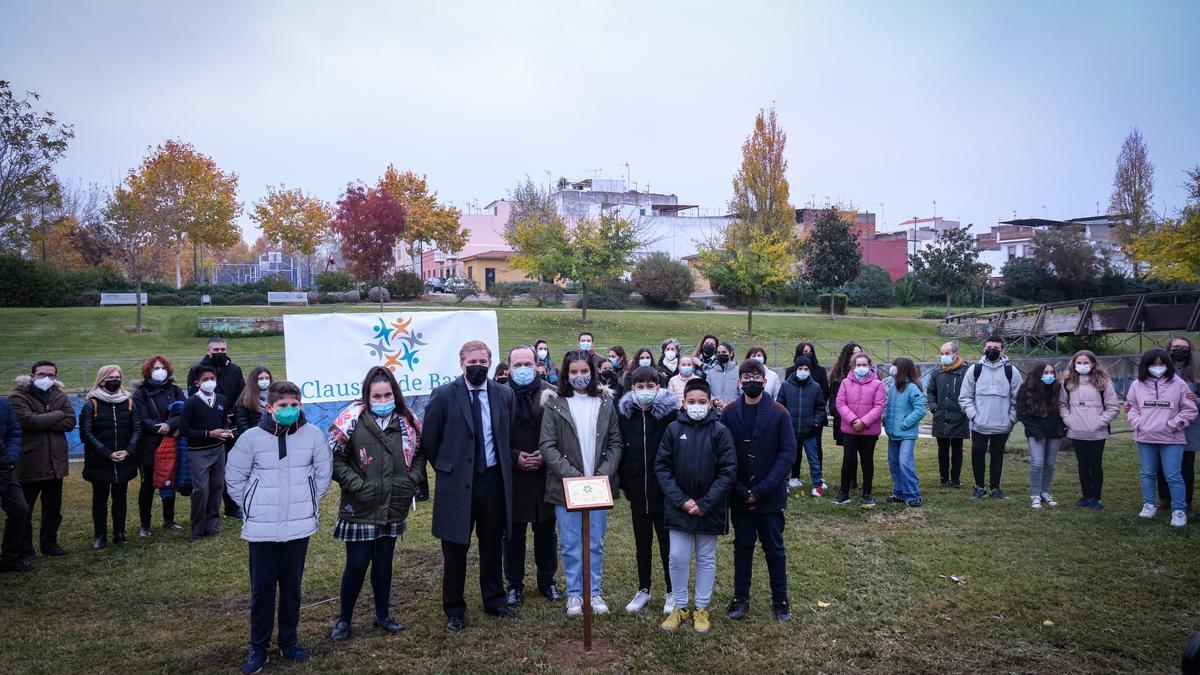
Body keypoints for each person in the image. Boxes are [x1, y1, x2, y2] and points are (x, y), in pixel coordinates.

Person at [226, 380, 332, 673]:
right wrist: (251, 505)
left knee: (292, 589)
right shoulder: (250, 439)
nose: (289, 410)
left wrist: (309, 499)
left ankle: (289, 642)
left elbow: (323, 472)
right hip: (262, 528)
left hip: (298, 526)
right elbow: (234, 478)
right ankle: (258, 648)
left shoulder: (312, 436)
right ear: (269, 407)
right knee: (262, 589)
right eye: (283, 406)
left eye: (294, 405)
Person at [421, 341, 515, 632]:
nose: (479, 366)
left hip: (492, 481)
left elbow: (505, 434)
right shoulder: (444, 395)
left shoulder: (503, 394)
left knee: (491, 545)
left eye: (484, 361)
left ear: (490, 363)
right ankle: (454, 608)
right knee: (455, 548)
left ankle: (495, 600)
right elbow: (430, 441)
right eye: (473, 361)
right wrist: (448, 468)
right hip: (456, 483)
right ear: (462, 363)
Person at [328, 366, 425, 640]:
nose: (383, 401)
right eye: (377, 396)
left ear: (395, 394)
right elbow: (334, 458)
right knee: (357, 563)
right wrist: (356, 485)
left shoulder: (408, 422)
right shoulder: (351, 421)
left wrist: (412, 481)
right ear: (367, 396)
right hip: (360, 505)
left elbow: (419, 454)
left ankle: (382, 615)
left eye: (387, 395)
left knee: (384, 563)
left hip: (394, 503)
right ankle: (344, 619)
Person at [539, 350, 623, 617]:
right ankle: (575, 594)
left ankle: (594, 591)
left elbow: (616, 442)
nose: (579, 377)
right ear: (566, 374)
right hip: (567, 487)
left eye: (584, 371)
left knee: (595, 541)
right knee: (571, 542)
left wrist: (603, 474)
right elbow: (547, 446)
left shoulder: (605, 402)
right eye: (573, 372)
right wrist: (573, 477)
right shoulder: (554, 404)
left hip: (598, 485)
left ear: (592, 371)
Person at [656, 378, 737, 633]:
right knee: (677, 557)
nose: (697, 406)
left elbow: (728, 470)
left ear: (710, 402)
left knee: (705, 558)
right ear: (684, 402)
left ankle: (701, 608)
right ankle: (680, 607)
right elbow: (662, 466)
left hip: (708, 509)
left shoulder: (720, 431)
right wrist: (682, 500)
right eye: (692, 402)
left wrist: (705, 503)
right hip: (679, 507)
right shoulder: (672, 430)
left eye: (702, 402)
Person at [721, 358, 796, 623]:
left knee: (774, 548)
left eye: (757, 377)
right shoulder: (728, 413)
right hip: (739, 494)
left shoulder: (779, 412)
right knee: (742, 548)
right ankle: (740, 598)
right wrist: (740, 489)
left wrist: (762, 489)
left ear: (765, 381)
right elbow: (723, 455)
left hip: (770, 496)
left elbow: (787, 455)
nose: (752, 382)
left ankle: (780, 601)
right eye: (746, 377)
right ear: (739, 382)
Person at [616, 366, 679, 614]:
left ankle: (672, 590)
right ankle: (643, 589)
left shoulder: (670, 414)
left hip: (663, 491)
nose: (645, 391)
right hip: (637, 489)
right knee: (642, 543)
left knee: (667, 544)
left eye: (649, 386)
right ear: (633, 389)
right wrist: (625, 481)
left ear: (658, 387)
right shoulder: (625, 415)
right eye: (640, 387)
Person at [502, 345, 560, 606]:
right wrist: (515, 456)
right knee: (513, 534)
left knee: (546, 532)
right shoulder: (499, 395)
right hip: (513, 476)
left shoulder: (552, 394)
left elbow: (561, 434)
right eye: (517, 365)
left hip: (543, 475)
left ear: (537, 364)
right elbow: (492, 436)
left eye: (528, 364)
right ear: (509, 367)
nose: (523, 369)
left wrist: (544, 455)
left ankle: (547, 580)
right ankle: (514, 584)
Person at [9, 360, 74, 563]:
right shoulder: (17, 396)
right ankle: (25, 549)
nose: (46, 378)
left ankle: (50, 544)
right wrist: (57, 415)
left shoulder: (59, 395)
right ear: (32, 375)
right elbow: (29, 422)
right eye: (42, 374)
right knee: (25, 510)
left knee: (53, 509)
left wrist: (44, 419)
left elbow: (70, 422)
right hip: (30, 462)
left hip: (56, 463)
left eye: (51, 375)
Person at [1127, 349, 1198, 527]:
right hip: (1145, 437)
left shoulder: (1179, 384)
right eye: (1153, 364)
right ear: (1146, 365)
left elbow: (1190, 409)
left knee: (1173, 474)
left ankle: (1179, 510)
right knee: (1148, 472)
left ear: (1167, 365)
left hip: (1172, 438)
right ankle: (1149, 504)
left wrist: (1174, 425)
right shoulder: (1137, 384)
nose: (1157, 367)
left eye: (1161, 364)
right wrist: (1138, 423)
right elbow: (1132, 407)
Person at [79, 365, 143, 549]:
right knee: (100, 499)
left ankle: (119, 532)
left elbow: (136, 428)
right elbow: (86, 433)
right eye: (110, 377)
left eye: (118, 377)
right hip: (100, 461)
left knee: (120, 498)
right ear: (101, 379)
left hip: (124, 459)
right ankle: (100, 534)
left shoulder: (129, 402)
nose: (115, 380)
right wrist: (107, 453)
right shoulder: (91, 404)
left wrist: (128, 450)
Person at [187, 337, 247, 519]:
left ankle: (231, 506)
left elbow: (241, 394)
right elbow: (193, 396)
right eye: (216, 349)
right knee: (207, 474)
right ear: (208, 351)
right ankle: (207, 511)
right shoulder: (196, 371)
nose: (220, 352)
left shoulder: (235, 370)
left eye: (223, 349)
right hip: (206, 428)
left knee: (229, 467)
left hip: (230, 424)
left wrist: (231, 413)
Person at [958, 335, 1023, 502]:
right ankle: (979, 487)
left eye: (996, 347)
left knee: (997, 455)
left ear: (1003, 350)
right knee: (977, 453)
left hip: (1002, 425)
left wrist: (1011, 419)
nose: (992, 350)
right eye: (989, 347)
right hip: (979, 424)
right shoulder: (975, 370)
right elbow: (965, 397)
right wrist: (973, 416)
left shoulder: (1011, 371)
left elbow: (1019, 398)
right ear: (984, 348)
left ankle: (995, 488)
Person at [132, 355, 186, 537]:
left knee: (168, 480)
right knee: (148, 484)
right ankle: (145, 524)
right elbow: (141, 418)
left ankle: (169, 519)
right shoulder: (140, 393)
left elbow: (185, 412)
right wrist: (159, 427)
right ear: (148, 371)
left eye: (162, 367)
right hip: (149, 445)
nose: (160, 371)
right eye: (155, 368)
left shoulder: (175, 390)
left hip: (171, 442)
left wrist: (170, 425)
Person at [1058, 349, 1119, 510]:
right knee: (1082, 465)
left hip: (1096, 433)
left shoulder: (1103, 382)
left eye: (1086, 363)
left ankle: (1096, 498)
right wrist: (1069, 420)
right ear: (1074, 364)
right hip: (1076, 431)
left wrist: (1100, 422)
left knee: (1095, 464)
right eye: (1079, 362)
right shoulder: (1067, 382)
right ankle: (1086, 495)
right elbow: (1062, 405)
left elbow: (1113, 407)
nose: (1082, 365)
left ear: (1093, 364)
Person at [181, 365, 235, 541]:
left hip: (218, 450)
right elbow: (184, 430)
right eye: (206, 379)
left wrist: (227, 431)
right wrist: (208, 434)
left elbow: (223, 421)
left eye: (212, 378)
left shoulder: (221, 399)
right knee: (201, 490)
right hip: (198, 452)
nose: (210, 382)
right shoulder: (191, 403)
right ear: (197, 383)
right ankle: (197, 529)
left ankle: (211, 524)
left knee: (217, 487)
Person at [833, 353, 885, 507]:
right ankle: (843, 492)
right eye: (858, 365)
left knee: (867, 461)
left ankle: (867, 493)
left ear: (870, 366)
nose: (861, 368)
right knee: (848, 460)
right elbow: (840, 403)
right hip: (850, 429)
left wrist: (864, 421)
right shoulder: (845, 383)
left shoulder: (878, 384)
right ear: (853, 366)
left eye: (864, 365)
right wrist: (854, 420)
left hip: (869, 430)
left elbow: (879, 406)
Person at [1017, 362, 1067, 510]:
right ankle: (1035, 495)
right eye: (1046, 372)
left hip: (1054, 432)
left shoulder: (1058, 388)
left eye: (1052, 372)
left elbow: (1064, 408)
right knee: (1037, 462)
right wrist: (1036, 432)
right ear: (1038, 373)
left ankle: (1045, 492)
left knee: (1050, 463)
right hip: (1036, 432)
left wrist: (1060, 429)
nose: (1049, 376)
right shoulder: (1026, 389)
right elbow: (1022, 413)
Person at [1159, 336, 1199, 515]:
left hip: (1188, 427)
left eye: (1184, 347)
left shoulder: (1197, 372)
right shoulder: (1161, 369)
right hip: (1163, 424)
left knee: (1185, 466)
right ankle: (1165, 499)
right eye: (1176, 346)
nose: (1180, 350)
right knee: (1162, 464)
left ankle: (1186, 502)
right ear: (1169, 349)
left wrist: (1194, 400)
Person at [777, 356, 827, 497]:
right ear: (796, 369)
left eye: (806, 369)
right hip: (790, 430)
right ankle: (783, 484)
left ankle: (817, 485)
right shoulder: (786, 385)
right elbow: (779, 406)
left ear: (810, 371)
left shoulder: (815, 387)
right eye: (800, 368)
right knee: (787, 458)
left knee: (814, 459)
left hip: (809, 430)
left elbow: (820, 407)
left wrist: (816, 421)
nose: (803, 371)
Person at [883, 358, 927, 507]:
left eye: (894, 366)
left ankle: (913, 495)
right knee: (894, 463)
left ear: (901, 369)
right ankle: (899, 493)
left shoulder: (912, 388)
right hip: (893, 433)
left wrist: (905, 423)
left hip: (906, 434)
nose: (891, 368)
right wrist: (885, 421)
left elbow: (920, 409)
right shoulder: (893, 387)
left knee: (905, 463)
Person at [927, 342, 971, 489]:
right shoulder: (937, 372)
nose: (943, 356)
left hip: (959, 415)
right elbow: (930, 391)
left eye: (947, 353)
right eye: (942, 353)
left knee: (957, 448)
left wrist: (966, 409)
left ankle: (956, 479)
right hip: (941, 415)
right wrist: (934, 407)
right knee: (942, 448)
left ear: (955, 354)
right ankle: (944, 478)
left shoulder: (966, 371)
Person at [785, 342, 829, 475]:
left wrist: (816, 418)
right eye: (804, 351)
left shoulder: (820, 371)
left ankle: (818, 476)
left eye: (810, 351)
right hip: (795, 417)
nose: (807, 353)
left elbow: (825, 392)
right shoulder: (790, 371)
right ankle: (795, 475)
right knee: (795, 447)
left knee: (815, 448)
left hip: (814, 417)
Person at [0, 395, 28, 572]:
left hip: (4, 465)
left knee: (20, 509)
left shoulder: (3, 404)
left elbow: (14, 433)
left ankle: (10, 557)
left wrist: (9, 459)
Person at [827, 342, 862, 452]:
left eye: (860, 353)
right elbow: (834, 398)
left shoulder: (867, 372)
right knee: (849, 454)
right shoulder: (838, 375)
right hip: (844, 418)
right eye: (854, 353)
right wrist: (838, 413)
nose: (857, 356)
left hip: (862, 418)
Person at [235, 367, 273, 438]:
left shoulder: (275, 396)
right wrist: (251, 437)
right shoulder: (246, 399)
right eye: (261, 378)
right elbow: (242, 424)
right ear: (254, 380)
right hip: (254, 437)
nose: (264, 381)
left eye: (267, 378)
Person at [706, 343, 740, 407]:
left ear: (731, 354)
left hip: (734, 409)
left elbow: (742, 393)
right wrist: (714, 401)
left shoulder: (739, 371)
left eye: (724, 352)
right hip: (717, 411)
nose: (721, 355)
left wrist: (729, 405)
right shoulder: (711, 373)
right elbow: (708, 391)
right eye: (718, 353)